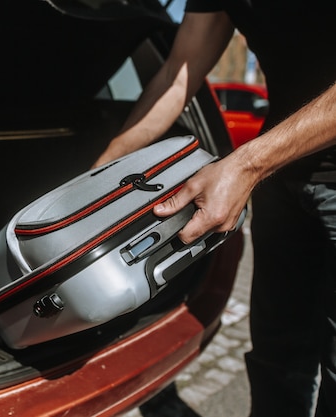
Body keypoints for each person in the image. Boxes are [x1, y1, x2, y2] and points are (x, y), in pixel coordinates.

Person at [92, 1, 336, 416]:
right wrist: (100, 176)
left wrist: (246, 164)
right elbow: (175, 76)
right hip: (279, 177)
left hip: (269, 163)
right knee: (277, 360)